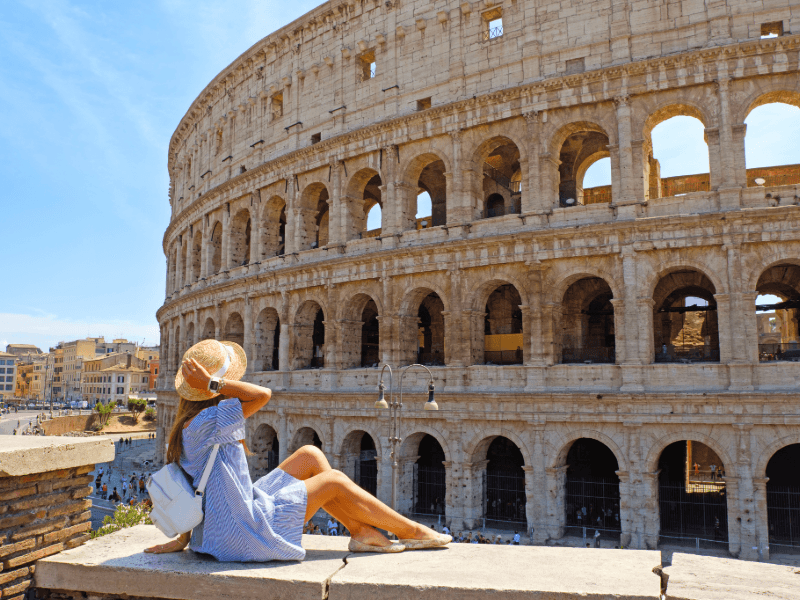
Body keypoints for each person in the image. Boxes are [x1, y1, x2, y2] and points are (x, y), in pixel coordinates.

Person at [145, 339, 449, 560]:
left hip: (217, 530)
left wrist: (183, 540)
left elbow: (191, 487)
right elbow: (263, 395)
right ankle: (412, 531)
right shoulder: (213, 417)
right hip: (243, 533)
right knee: (334, 482)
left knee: (310, 455)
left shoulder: (189, 424)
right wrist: (213, 381)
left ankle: (360, 531)